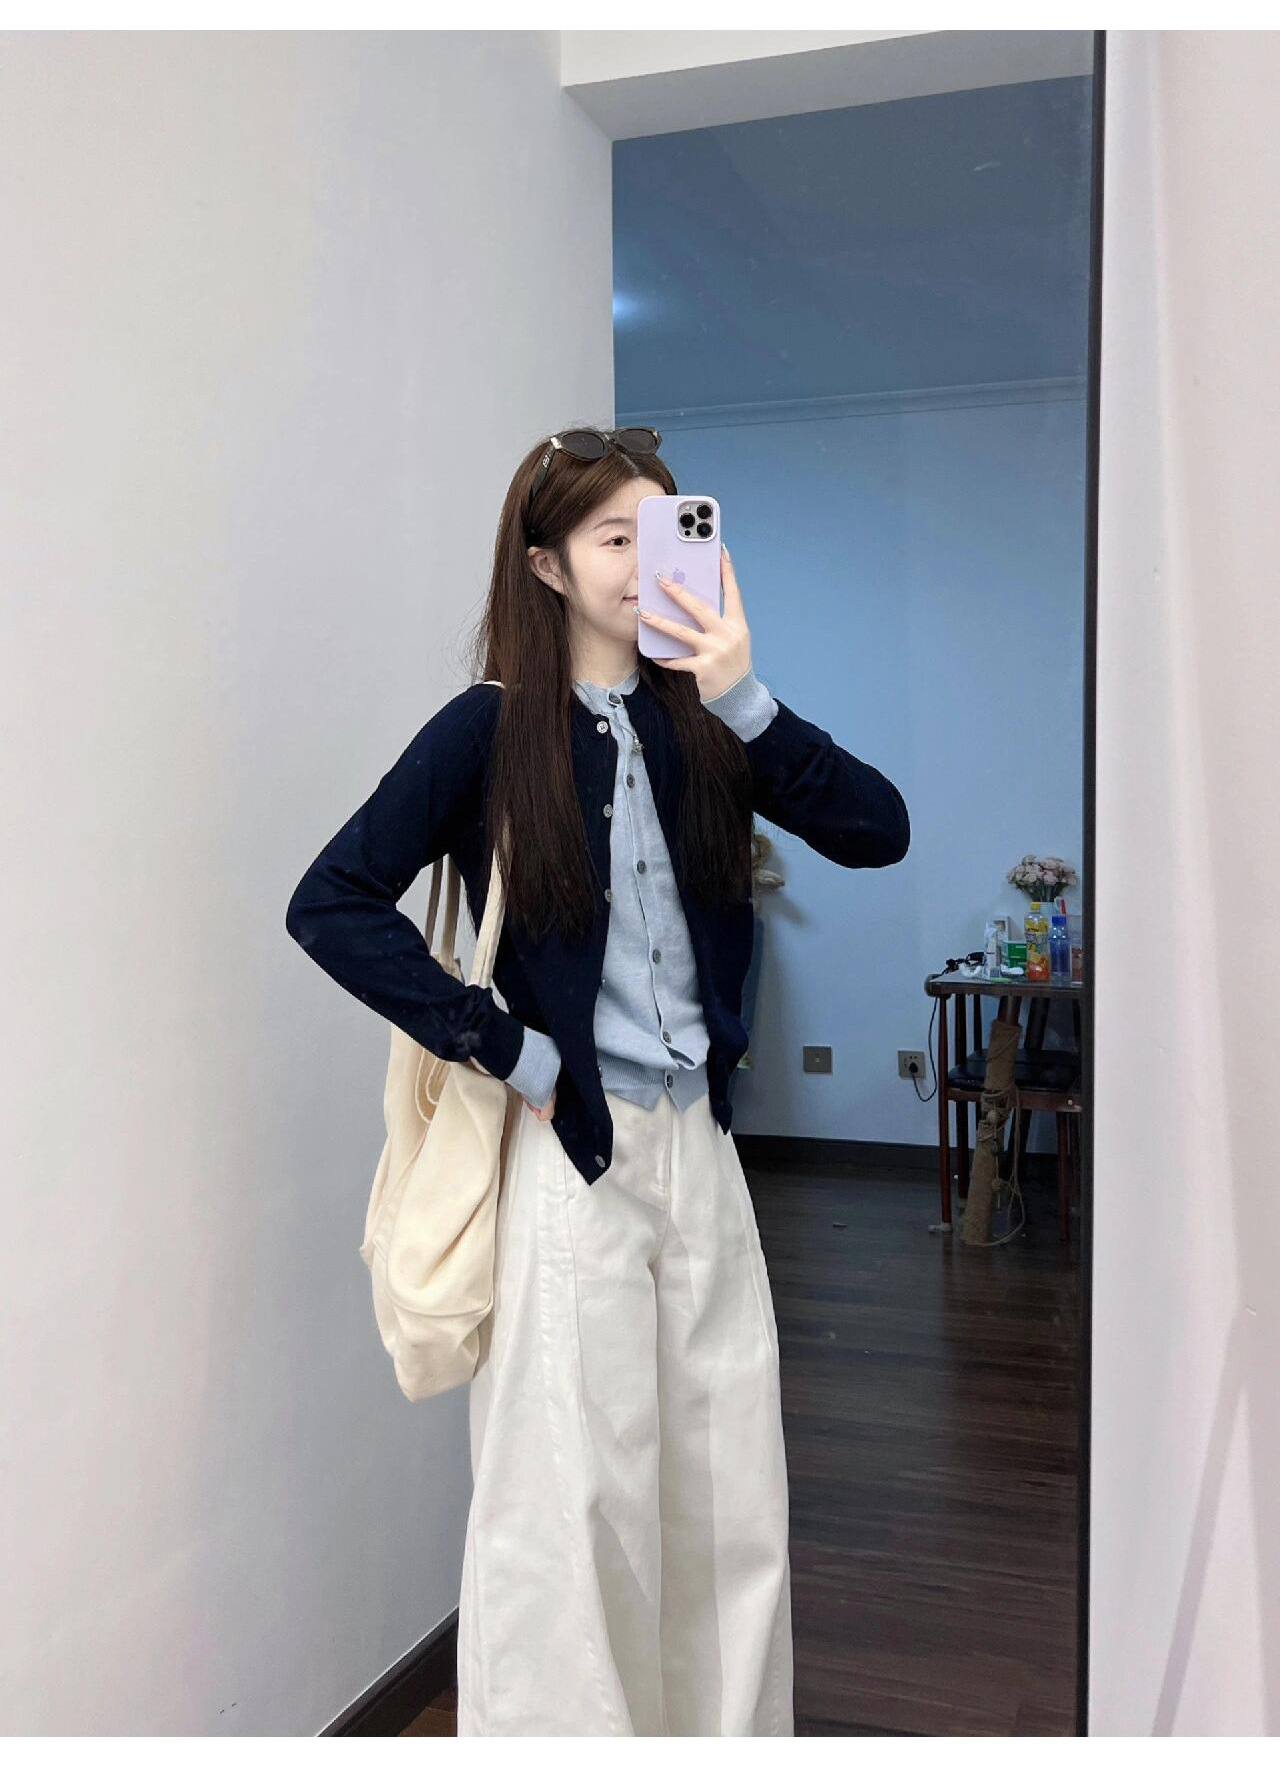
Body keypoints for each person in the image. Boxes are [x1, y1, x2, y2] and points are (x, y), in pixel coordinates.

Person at [285, 425, 911, 1736]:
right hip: (572, 1151)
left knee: (730, 1490)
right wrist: (502, 1043)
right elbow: (331, 901)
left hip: (702, 1149)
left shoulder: (712, 725)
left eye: (666, 530)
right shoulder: (489, 730)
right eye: (615, 538)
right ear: (547, 567)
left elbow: (879, 831)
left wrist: (744, 695)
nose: (645, 561)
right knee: (570, 1499)